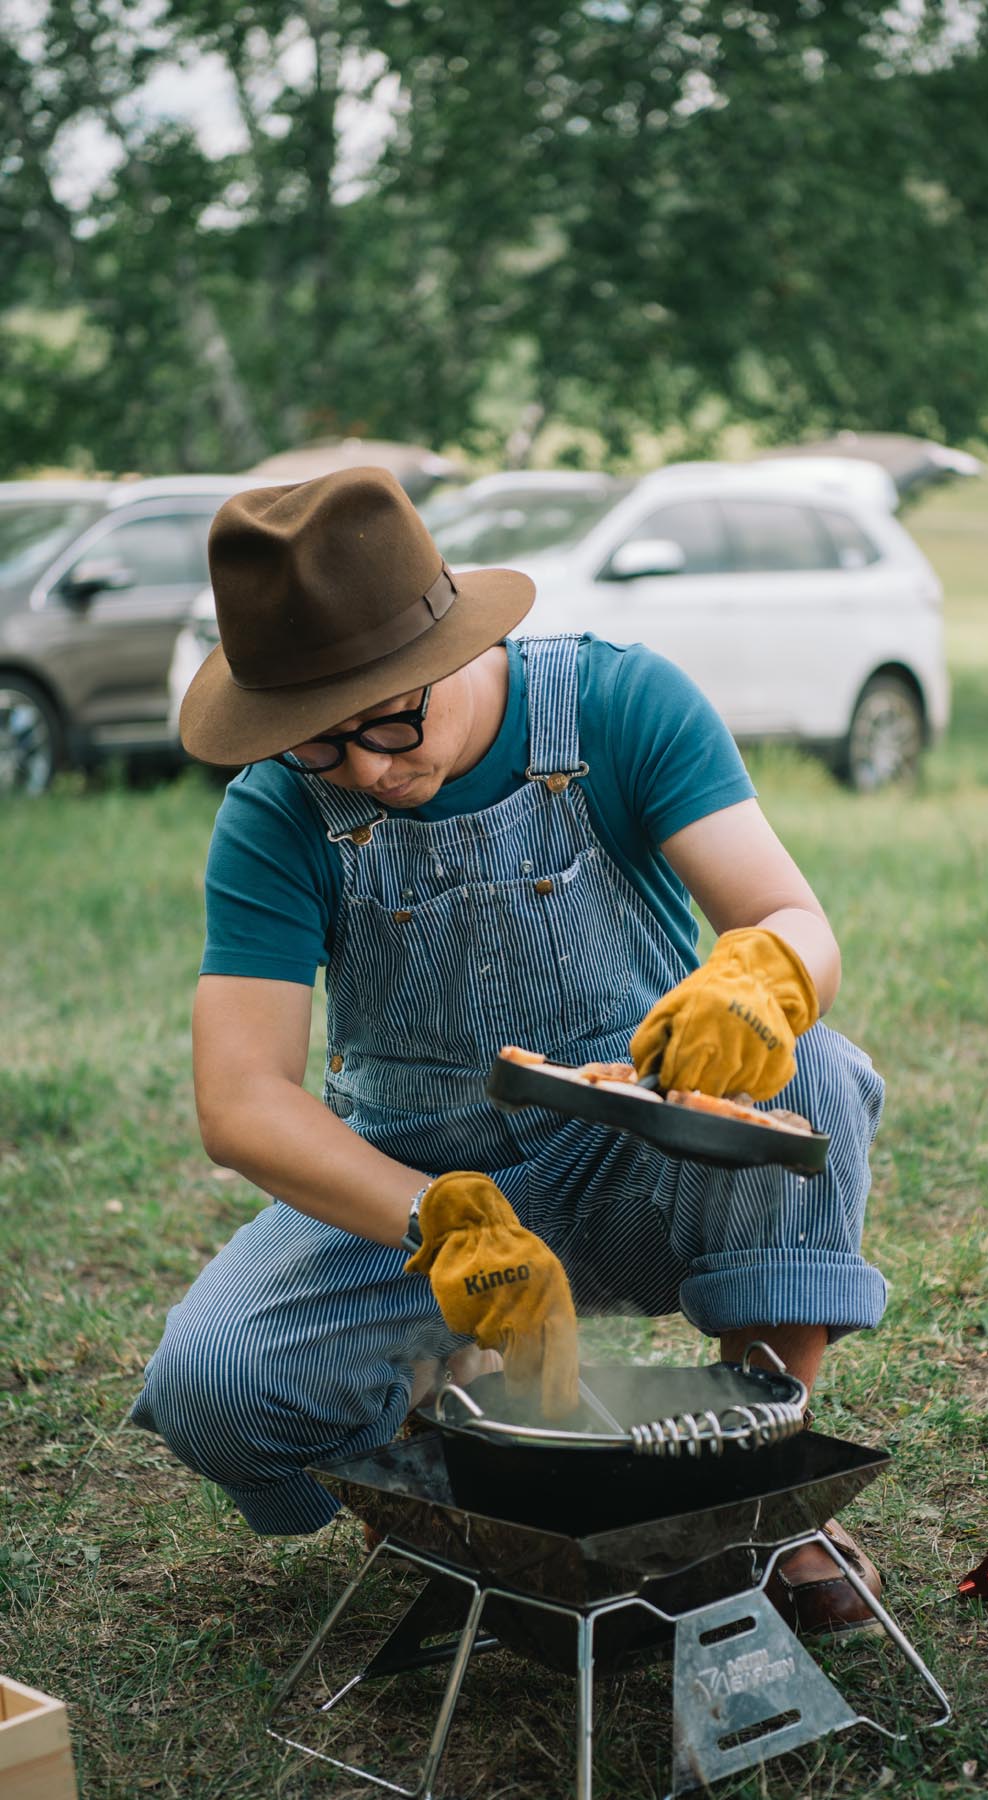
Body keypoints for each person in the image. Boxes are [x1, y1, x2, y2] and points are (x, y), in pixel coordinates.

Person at [132, 466, 888, 1632]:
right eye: (319, 744)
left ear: (451, 646)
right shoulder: (277, 813)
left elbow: (789, 916)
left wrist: (763, 979)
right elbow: (240, 1101)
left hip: (641, 1162)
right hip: (417, 1191)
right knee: (211, 1381)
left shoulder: (618, 704)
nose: (367, 769)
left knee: (816, 1070)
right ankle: (452, 1477)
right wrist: (435, 1220)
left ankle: (756, 1497)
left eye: (390, 720)